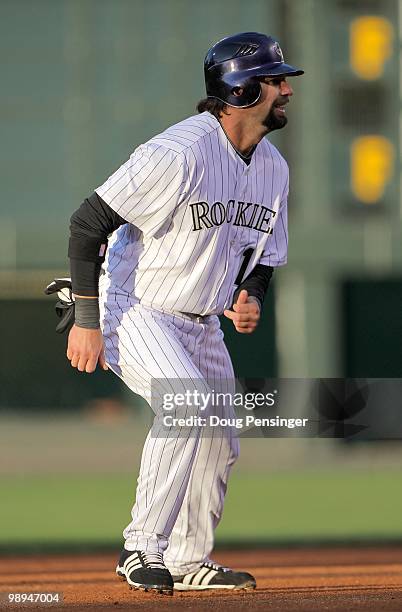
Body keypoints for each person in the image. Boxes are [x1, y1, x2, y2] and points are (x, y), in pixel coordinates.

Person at [66, 32, 303, 595]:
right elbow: (86, 224)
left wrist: (252, 297)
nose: (287, 89)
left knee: (220, 436)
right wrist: (85, 320)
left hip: (199, 322)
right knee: (188, 403)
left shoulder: (272, 168)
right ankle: (140, 549)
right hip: (137, 307)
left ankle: (186, 560)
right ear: (243, 90)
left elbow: (265, 256)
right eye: (276, 79)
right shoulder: (178, 153)